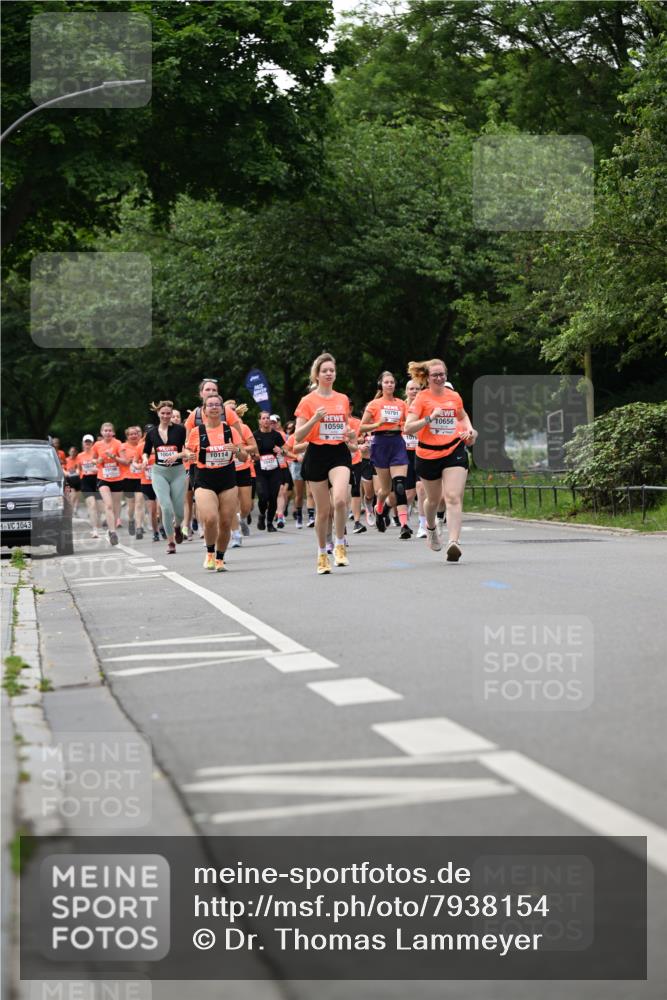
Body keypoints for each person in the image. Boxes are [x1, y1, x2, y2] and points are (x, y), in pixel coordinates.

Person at [403, 359, 477, 562]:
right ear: (427, 378)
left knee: (452, 497)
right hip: (427, 454)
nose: (439, 378)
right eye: (435, 375)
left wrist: (469, 430)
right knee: (433, 500)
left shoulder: (454, 396)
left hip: (453, 450)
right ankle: (431, 527)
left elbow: (462, 417)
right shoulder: (421, 399)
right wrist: (429, 418)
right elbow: (408, 428)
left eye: (442, 374)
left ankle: (454, 542)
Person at [295, 353, 354, 574]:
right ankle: (321, 554)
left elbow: (345, 427)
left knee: (339, 500)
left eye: (332, 370)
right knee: (323, 511)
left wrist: (348, 433)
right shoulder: (308, 401)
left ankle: (339, 545)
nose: (329, 374)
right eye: (325, 371)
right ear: (317, 375)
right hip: (316, 454)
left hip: (338, 453)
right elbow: (299, 437)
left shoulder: (342, 399)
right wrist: (314, 420)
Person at [185, 393, 246, 571]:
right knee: (210, 518)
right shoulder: (197, 432)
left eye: (217, 405)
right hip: (204, 478)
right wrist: (188, 456)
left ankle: (220, 558)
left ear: (222, 409)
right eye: (209, 405)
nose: (213, 407)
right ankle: (210, 553)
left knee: (226, 521)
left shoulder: (231, 430)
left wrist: (235, 450)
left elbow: (244, 455)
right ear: (204, 410)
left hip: (227, 478)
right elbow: (188, 452)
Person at [360, 371, 412, 539]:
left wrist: (403, 425)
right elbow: (362, 427)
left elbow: (408, 423)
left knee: (399, 486)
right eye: (386, 382)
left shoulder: (401, 404)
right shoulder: (374, 404)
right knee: (384, 489)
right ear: (381, 385)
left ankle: (404, 525)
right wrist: (378, 423)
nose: (389, 384)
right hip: (380, 444)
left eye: (392, 382)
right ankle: (379, 508)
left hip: (397, 443)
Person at [142, 401, 188, 555]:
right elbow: (146, 451)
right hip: (159, 472)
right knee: (166, 507)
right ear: (158, 414)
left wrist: (178, 454)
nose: (166, 416)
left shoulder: (181, 430)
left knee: (179, 510)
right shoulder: (152, 433)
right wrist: (143, 459)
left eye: (169, 413)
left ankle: (178, 526)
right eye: (163, 413)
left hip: (178, 472)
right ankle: (170, 541)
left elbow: (188, 450)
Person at [225, 400, 257, 548]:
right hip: (226, 469)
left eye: (233, 410)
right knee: (231, 503)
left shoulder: (243, 428)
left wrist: (240, 449)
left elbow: (254, 447)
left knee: (246, 505)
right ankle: (235, 533)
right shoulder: (218, 429)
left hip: (243, 467)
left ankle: (242, 519)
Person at [92, 423, 125, 545]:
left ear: (113, 432)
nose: (107, 433)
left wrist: (114, 457)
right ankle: (113, 532)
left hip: (117, 478)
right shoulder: (97, 445)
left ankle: (112, 530)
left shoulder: (118, 443)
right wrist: (98, 461)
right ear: (101, 432)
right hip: (103, 478)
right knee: (109, 505)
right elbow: (93, 459)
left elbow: (125, 461)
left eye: (110, 430)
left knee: (116, 507)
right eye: (105, 430)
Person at [253, 411, 285, 533]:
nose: (266, 420)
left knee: (273, 497)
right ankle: (262, 514)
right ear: (259, 421)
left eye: (268, 418)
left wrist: (280, 450)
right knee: (263, 496)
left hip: (274, 469)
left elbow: (286, 448)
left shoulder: (276, 435)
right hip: (260, 470)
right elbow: (250, 448)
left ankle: (270, 522)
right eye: (263, 418)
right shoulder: (255, 435)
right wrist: (253, 454)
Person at [137, 425, 159, 541]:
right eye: (148, 432)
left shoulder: (160, 444)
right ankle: (155, 532)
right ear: (145, 434)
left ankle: (164, 528)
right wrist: (140, 465)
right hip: (146, 481)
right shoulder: (140, 446)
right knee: (152, 510)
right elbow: (135, 462)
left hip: (161, 480)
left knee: (162, 508)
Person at [121, 426, 144, 536]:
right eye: (131, 434)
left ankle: (139, 527)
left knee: (139, 503)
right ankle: (131, 520)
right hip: (128, 478)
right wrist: (128, 460)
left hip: (140, 477)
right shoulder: (123, 447)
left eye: (135, 433)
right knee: (131, 505)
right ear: (127, 436)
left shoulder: (142, 446)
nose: (133, 436)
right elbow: (122, 461)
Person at [76, 435, 100, 537]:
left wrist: (96, 469)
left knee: (101, 506)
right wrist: (76, 472)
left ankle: (103, 524)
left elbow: (101, 468)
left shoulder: (97, 455)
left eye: (89, 442)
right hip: (85, 480)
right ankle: (95, 529)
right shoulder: (80, 456)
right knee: (92, 505)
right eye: (86, 442)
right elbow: (79, 469)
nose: (87, 444)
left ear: (93, 443)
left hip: (97, 480)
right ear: (83, 443)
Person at [64, 447, 81, 515]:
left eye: (74, 451)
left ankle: (75, 510)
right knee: (73, 494)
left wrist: (78, 471)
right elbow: (63, 469)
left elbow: (79, 469)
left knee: (77, 495)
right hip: (69, 479)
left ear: (76, 452)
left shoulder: (78, 459)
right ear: (69, 452)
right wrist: (66, 473)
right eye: (71, 451)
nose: (73, 453)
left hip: (78, 479)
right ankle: (70, 509)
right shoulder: (66, 460)